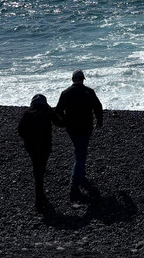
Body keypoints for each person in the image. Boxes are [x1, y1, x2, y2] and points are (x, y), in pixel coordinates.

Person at [55, 69, 104, 201]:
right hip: (86, 127)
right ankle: (73, 187)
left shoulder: (66, 93)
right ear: (82, 79)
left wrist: (65, 121)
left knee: (79, 151)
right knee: (81, 156)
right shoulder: (89, 92)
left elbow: (58, 111)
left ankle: (81, 175)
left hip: (71, 129)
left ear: (73, 79)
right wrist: (99, 121)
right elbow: (98, 107)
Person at [17, 93, 61, 211]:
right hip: (45, 145)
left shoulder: (27, 112)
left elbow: (20, 130)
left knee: (36, 166)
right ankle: (39, 198)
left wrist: (27, 139)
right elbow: (59, 123)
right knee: (41, 168)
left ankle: (39, 194)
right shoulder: (47, 111)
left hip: (31, 146)